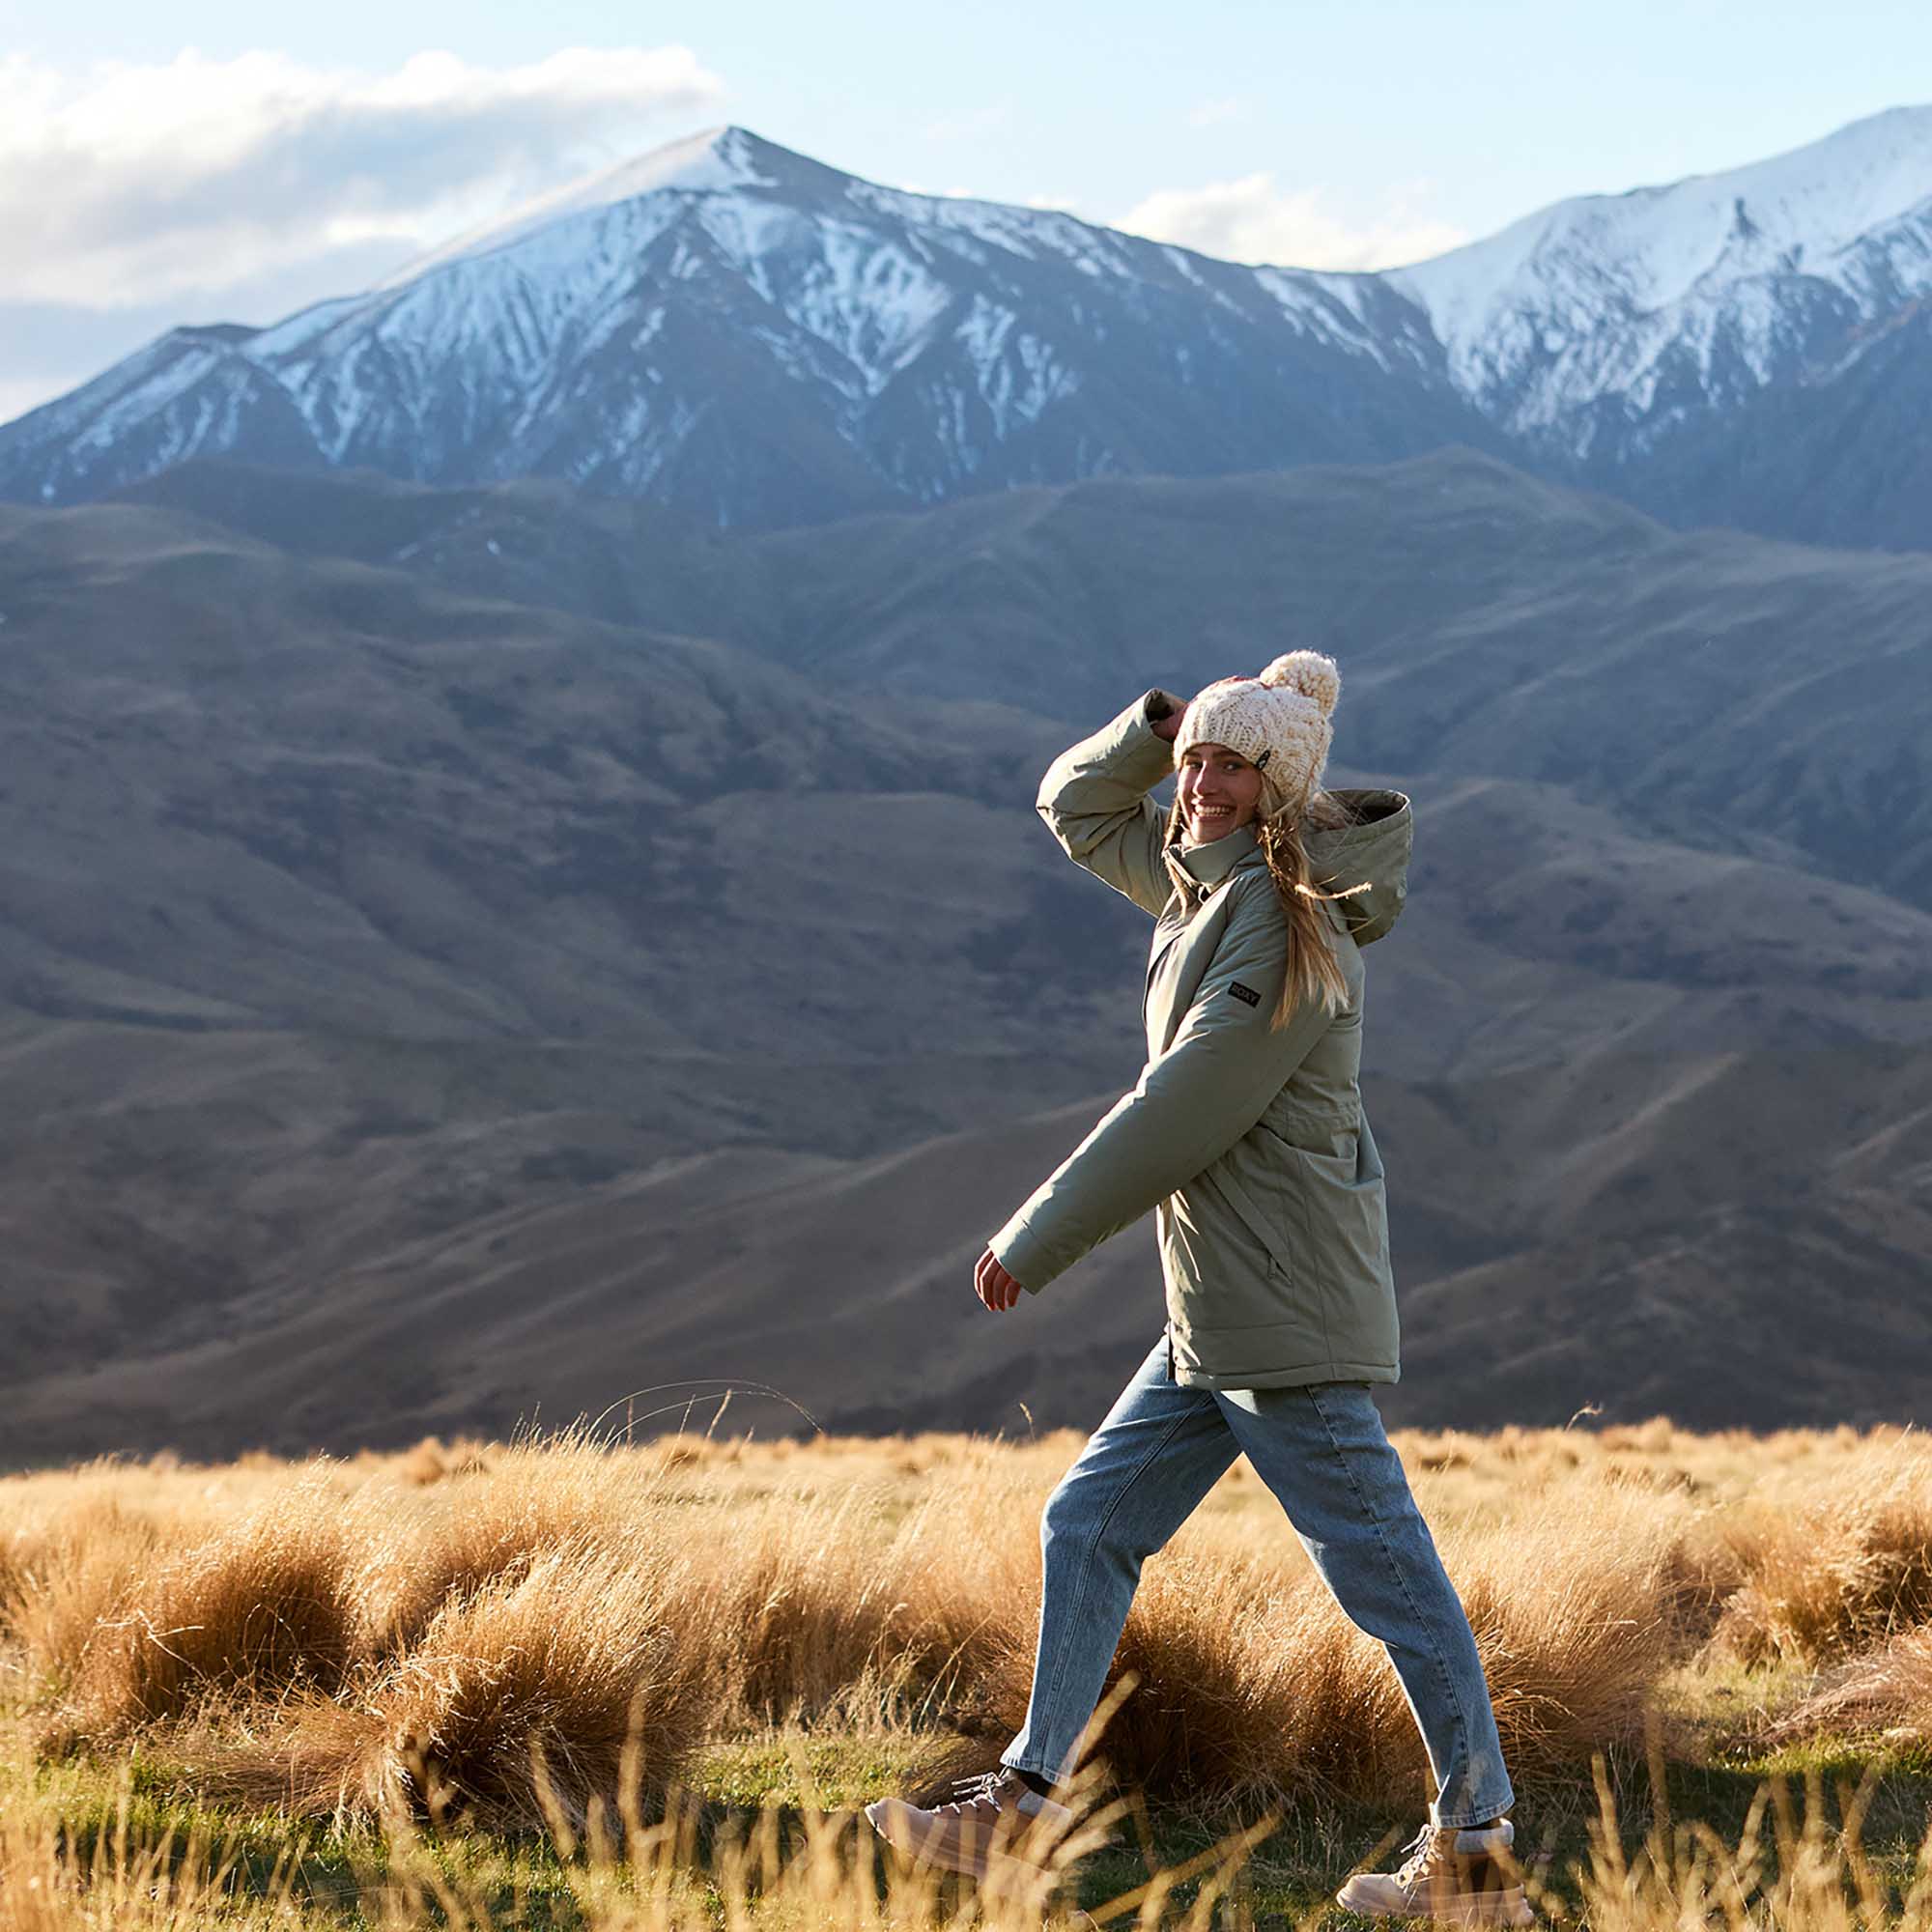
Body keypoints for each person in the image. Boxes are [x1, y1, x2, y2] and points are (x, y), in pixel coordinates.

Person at [866, 654, 1528, 1925]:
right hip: (1214, 1312)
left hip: (1277, 1309)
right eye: (1194, 766)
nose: (1201, 785)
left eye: (1233, 765)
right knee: (1088, 1523)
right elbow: (1072, 806)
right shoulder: (1200, 887)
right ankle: (1021, 1811)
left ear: (1282, 788)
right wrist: (1157, 727)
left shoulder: (1284, 927)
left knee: (1388, 1577)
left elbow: (1185, 1105)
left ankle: (1477, 1853)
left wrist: (1036, 1236)